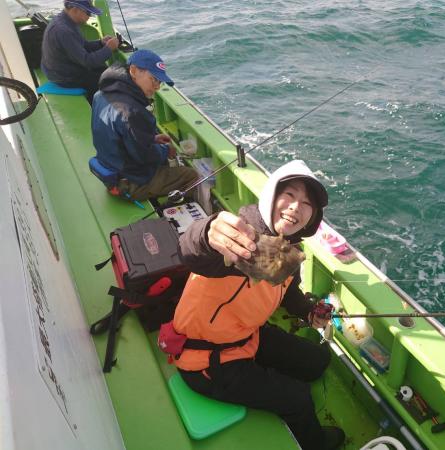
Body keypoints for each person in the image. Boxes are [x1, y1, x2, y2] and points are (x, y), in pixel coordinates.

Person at [172, 160, 345, 450]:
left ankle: (268, 375)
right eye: (289, 194)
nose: (295, 207)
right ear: (272, 195)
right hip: (206, 358)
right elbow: (191, 252)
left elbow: (288, 292)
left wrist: (307, 312)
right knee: (298, 398)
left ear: (312, 217)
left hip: (246, 335)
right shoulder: (241, 238)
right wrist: (207, 232)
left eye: (306, 203)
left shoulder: (289, 252)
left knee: (317, 361)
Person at [91, 49, 199, 201]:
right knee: (191, 176)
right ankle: (177, 207)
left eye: (159, 82)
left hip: (110, 170)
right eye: (153, 79)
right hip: (129, 183)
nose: (157, 87)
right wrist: (165, 150)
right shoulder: (132, 112)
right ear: (134, 71)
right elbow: (144, 156)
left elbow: (118, 135)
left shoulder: (100, 95)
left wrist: (151, 139)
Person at [41, 0, 119, 104]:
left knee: (105, 69)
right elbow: (88, 61)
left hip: (64, 67)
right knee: (110, 81)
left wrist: (101, 43)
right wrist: (109, 48)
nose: (89, 16)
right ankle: (95, 106)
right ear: (75, 10)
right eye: (88, 13)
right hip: (62, 77)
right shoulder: (63, 31)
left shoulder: (66, 21)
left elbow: (83, 45)